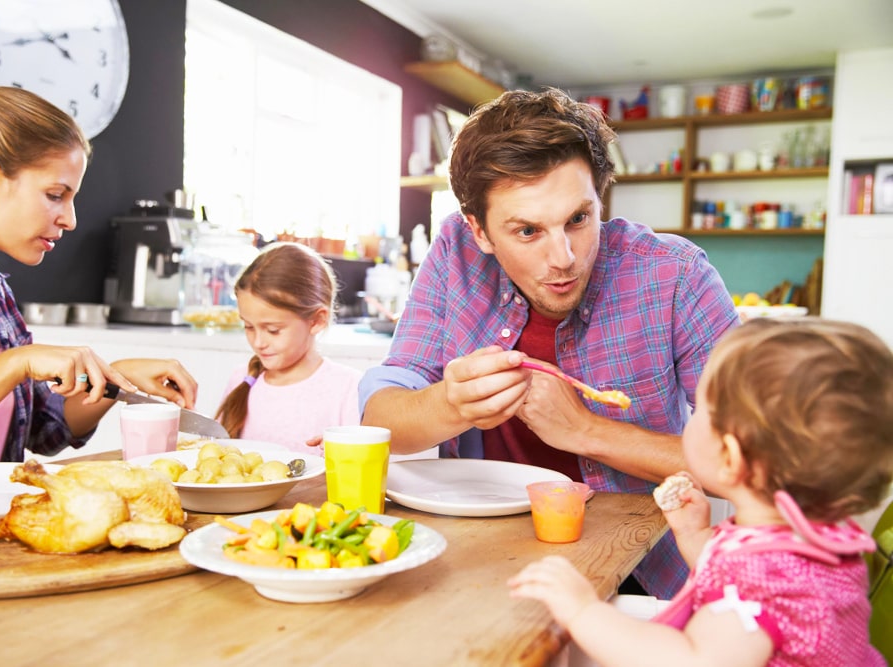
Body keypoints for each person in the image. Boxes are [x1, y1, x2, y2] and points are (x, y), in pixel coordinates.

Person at [359, 87, 739, 599]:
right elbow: (381, 420)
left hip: (641, 577)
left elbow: (760, 462)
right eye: (527, 231)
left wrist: (586, 430)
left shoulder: (675, 275)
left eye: (579, 219)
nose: (564, 258)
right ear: (480, 231)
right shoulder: (454, 253)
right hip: (476, 563)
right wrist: (450, 404)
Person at [509, 317, 893, 667]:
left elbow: (692, 661)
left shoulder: (764, 584)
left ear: (730, 456)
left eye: (702, 409)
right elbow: (734, 582)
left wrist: (582, 611)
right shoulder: (819, 538)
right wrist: (696, 538)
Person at [0, 86, 198, 474]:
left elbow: (45, 430)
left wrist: (115, 378)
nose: (70, 220)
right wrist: (14, 363)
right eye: (55, 194)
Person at [215, 242, 361, 455]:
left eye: (273, 330)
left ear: (316, 321)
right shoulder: (241, 379)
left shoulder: (349, 389)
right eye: (248, 327)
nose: (258, 342)